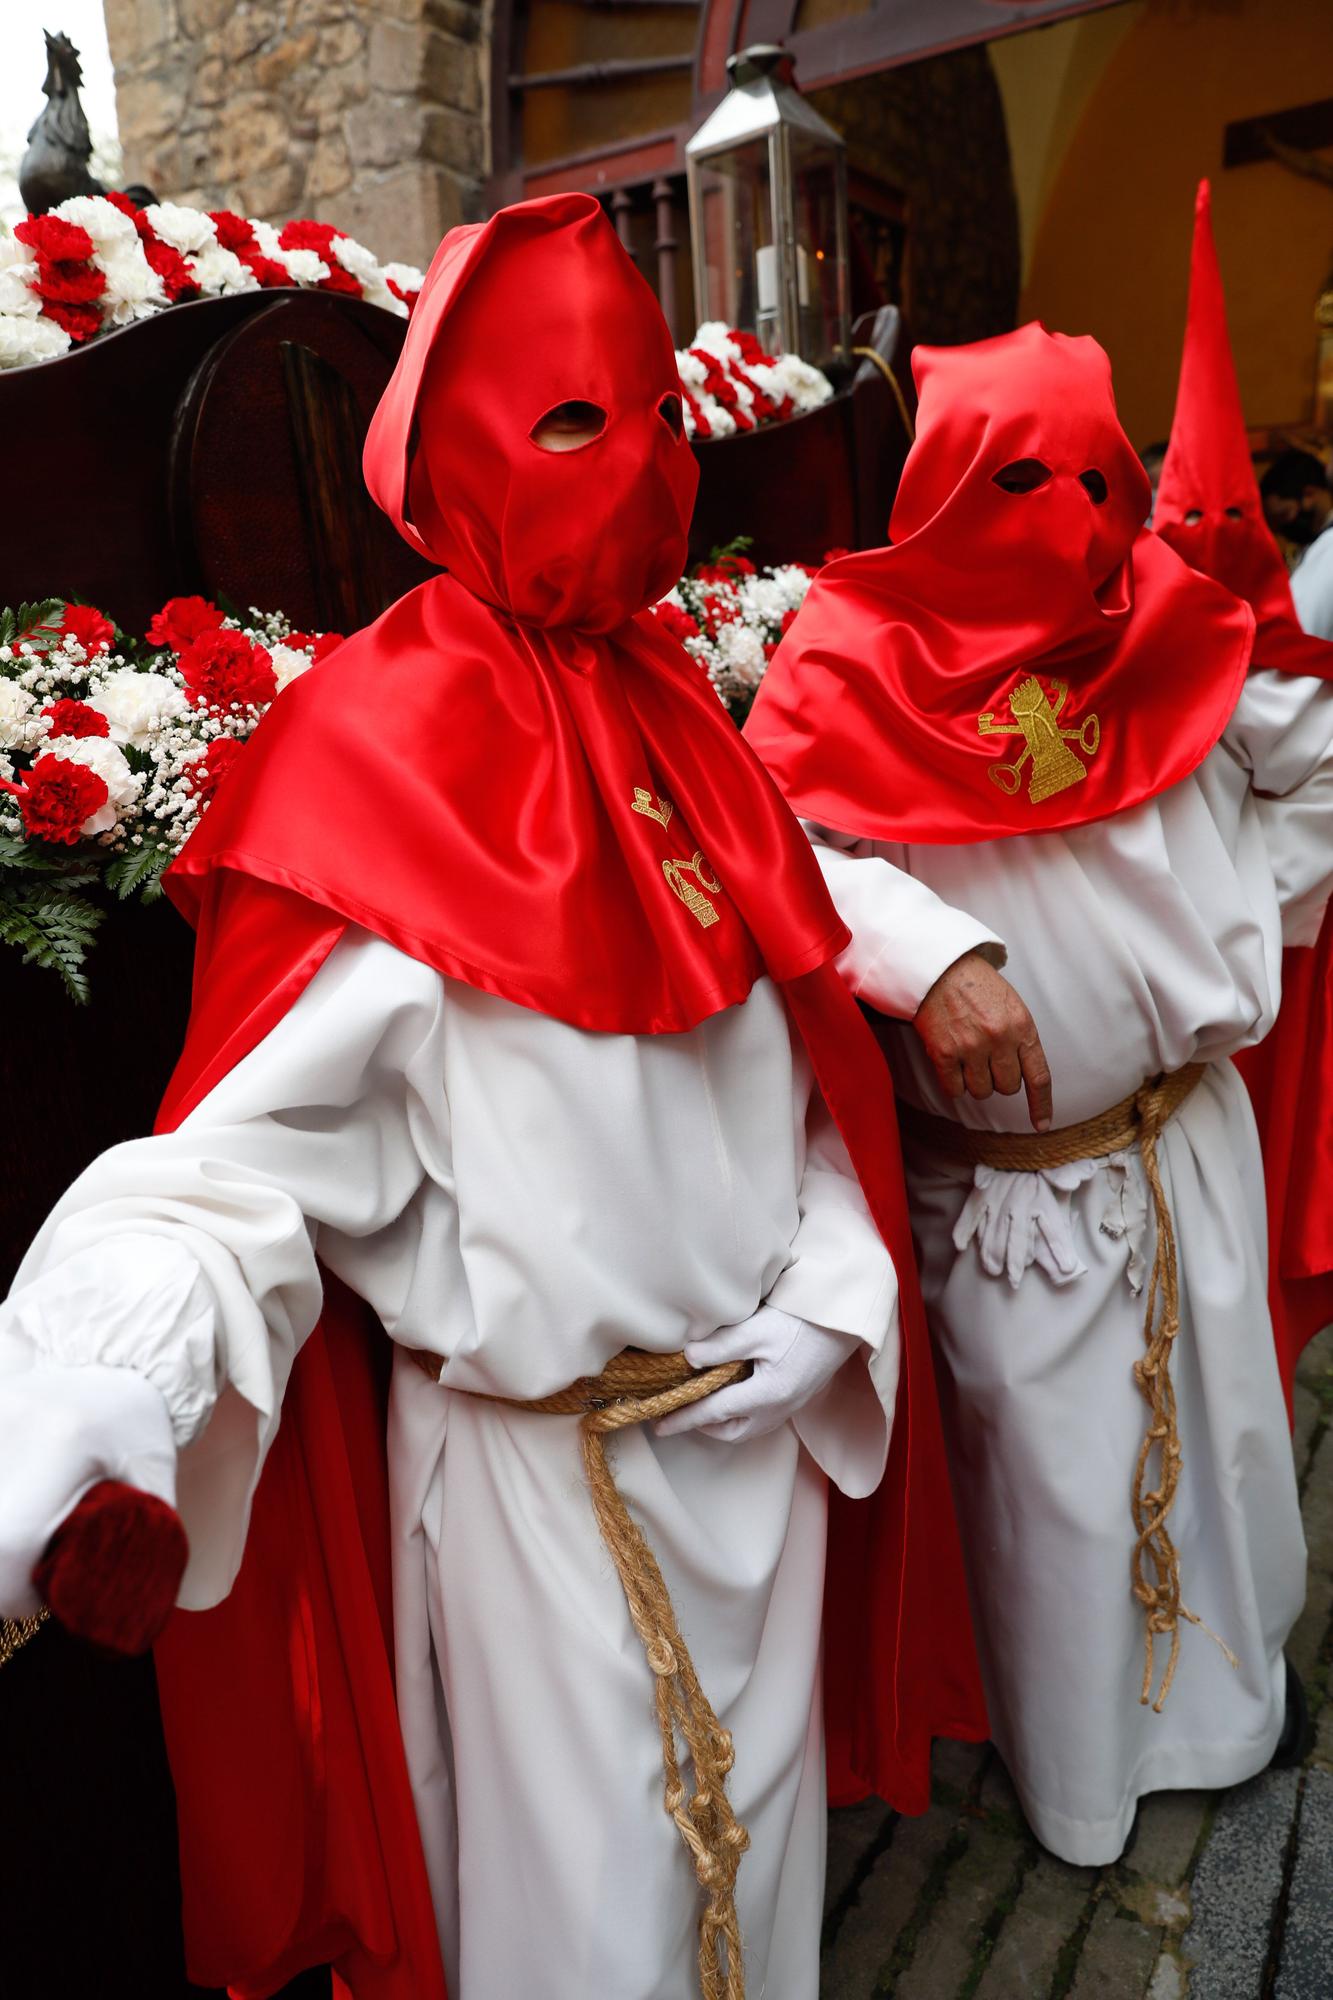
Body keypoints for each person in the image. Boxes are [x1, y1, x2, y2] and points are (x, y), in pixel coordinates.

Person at [0, 192, 987, 2000]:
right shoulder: (379, 765)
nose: (637, 468)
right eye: (566, 420)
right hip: (548, 1507)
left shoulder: (688, 726)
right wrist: (94, 1400)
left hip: (745, 1471)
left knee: (756, 1924)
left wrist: (830, 1301)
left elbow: (792, 1088)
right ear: (452, 451)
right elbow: (235, 1172)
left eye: (659, 416)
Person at [746, 320, 1333, 1868]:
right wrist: (928, 954)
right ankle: (1084, 1781)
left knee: (1226, 1456)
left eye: (1096, 477)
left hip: (1181, 1145)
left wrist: (1233, 917)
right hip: (1007, 1189)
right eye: (1019, 476)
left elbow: (1319, 755)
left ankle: (1233, 1708)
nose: (1067, 517)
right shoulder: (846, 660)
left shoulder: (1172, 625)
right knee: (1054, 1501)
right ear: (942, 490)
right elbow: (780, 849)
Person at [1154, 180, 1333, 1398]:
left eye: (1236, 515)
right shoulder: (1117, 651)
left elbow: (1313, 787)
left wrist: (1225, 934)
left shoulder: (1283, 661)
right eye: (1189, 513)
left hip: (1237, 993)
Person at [1260, 446, 1333, 638]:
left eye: (1284, 516)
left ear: (1309, 495)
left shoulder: (1329, 546)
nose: (1284, 531)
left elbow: (1309, 630)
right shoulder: (1312, 547)